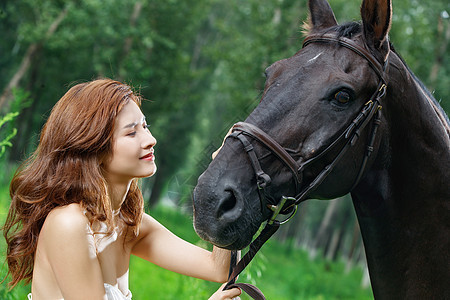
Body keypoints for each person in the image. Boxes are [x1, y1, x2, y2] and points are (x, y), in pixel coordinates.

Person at [2, 79, 241, 300]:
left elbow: (218, 269)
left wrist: (227, 177)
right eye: (131, 132)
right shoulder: (68, 223)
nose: (150, 139)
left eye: (145, 126)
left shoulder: (129, 225)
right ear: (94, 147)